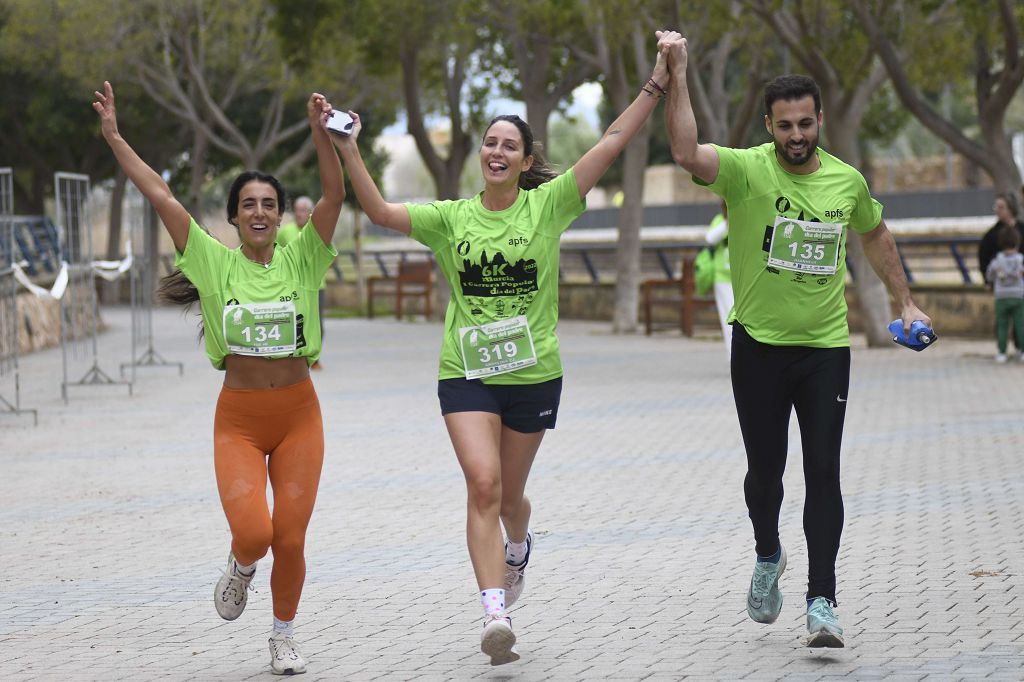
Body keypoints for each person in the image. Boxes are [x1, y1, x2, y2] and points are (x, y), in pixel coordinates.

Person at [326, 32, 677, 666]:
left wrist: (657, 80)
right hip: (466, 373)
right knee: (482, 486)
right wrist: (348, 146)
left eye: (508, 145)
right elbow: (376, 209)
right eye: (489, 142)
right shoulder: (451, 218)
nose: (495, 151)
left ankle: (519, 548)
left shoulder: (549, 207)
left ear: (524, 159)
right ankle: (494, 612)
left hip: (533, 374)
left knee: (511, 497)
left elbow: (612, 142)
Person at [662, 34, 932, 649]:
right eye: (784, 126)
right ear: (768, 126)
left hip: (823, 350)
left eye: (805, 123)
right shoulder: (744, 169)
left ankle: (823, 601)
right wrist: (677, 73)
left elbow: (875, 233)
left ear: (819, 121)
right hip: (757, 347)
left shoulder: (846, 182)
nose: (795, 135)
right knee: (765, 474)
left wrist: (905, 300)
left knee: (824, 474)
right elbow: (683, 150)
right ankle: (767, 553)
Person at [93, 81, 345, 675]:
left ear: (281, 216)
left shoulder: (305, 256)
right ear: (233, 216)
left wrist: (319, 133)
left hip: (299, 415)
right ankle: (239, 565)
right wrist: (114, 136)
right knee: (255, 534)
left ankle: (282, 636)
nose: (259, 212)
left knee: (290, 537)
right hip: (239, 420)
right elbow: (158, 191)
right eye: (248, 204)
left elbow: (335, 191)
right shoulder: (211, 260)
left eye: (269, 204)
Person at [279, 195, 329, 369]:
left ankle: (314, 358)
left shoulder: (317, 231)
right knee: (293, 322)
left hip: (316, 286)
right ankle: (293, 358)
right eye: (297, 210)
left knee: (317, 323)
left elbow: (328, 252)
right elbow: (274, 252)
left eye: (303, 210)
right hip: (291, 287)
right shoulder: (285, 232)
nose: (299, 214)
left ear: (310, 213)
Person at [978, 193, 1024, 352]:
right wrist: (987, 281)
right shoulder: (991, 235)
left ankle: (1020, 348)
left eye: (1001, 207)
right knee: (1002, 320)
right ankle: (1002, 349)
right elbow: (984, 259)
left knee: (1020, 320)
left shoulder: (1022, 229)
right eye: (996, 207)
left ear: (1011, 209)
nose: (997, 210)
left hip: (1021, 285)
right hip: (1002, 287)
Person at [985, 225, 1024, 363]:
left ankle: (1002, 353)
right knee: (1020, 324)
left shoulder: (997, 261)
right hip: (1018, 296)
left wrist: (989, 283)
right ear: (1017, 242)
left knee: (1002, 325)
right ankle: (1022, 351)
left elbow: (989, 274)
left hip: (1001, 296)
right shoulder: (1020, 259)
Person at [705, 202, 733, 358]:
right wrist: (726, 222)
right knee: (728, 321)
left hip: (742, 278)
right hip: (723, 278)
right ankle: (732, 357)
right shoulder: (719, 221)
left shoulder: (745, 215)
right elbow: (710, 238)